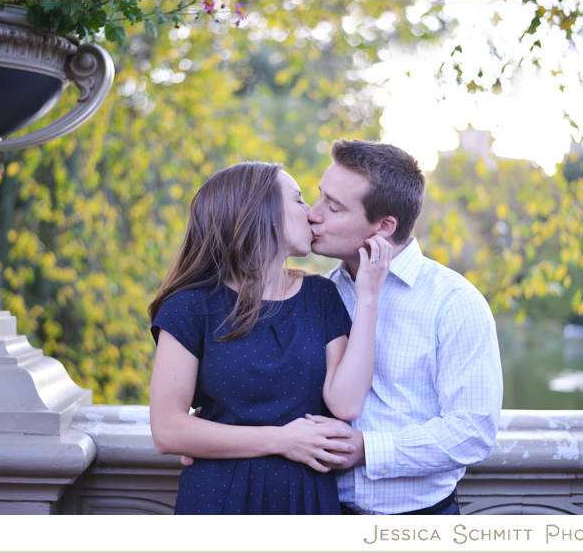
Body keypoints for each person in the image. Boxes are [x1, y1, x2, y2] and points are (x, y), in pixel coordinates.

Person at [147, 161, 391, 515]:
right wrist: (281, 440)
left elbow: (347, 404)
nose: (311, 213)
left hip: (305, 501)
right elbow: (167, 430)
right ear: (263, 214)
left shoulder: (321, 296)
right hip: (218, 500)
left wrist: (369, 297)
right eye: (299, 200)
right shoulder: (190, 307)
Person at [305, 139, 504, 515]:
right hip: (319, 512)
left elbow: (473, 431)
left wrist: (366, 449)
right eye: (319, 199)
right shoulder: (318, 294)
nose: (313, 215)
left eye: (333, 207)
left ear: (383, 227)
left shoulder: (455, 302)